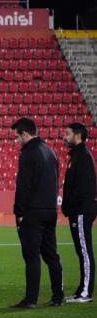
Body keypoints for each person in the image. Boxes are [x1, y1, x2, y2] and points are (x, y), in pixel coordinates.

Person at [11, 117, 63, 308]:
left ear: (25, 134)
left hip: (33, 212)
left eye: (18, 137)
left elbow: (24, 186)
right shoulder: (50, 151)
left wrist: (19, 212)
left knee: (32, 256)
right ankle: (58, 296)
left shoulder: (28, 154)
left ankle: (31, 299)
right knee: (51, 255)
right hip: (50, 210)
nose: (17, 141)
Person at [62, 122, 96, 303]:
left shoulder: (82, 156)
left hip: (82, 211)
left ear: (77, 135)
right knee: (81, 251)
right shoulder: (77, 156)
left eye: (67, 133)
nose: (64, 137)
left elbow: (84, 188)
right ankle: (81, 290)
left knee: (84, 251)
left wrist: (73, 207)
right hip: (78, 211)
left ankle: (86, 292)